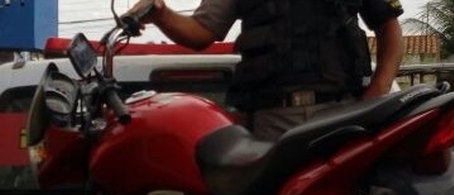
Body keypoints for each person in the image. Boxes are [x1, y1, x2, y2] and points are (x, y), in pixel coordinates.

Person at [132, 0, 404, 140]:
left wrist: (377, 92)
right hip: (273, 122)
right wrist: (162, 15)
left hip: (344, 113)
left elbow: (389, 27)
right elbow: (202, 31)